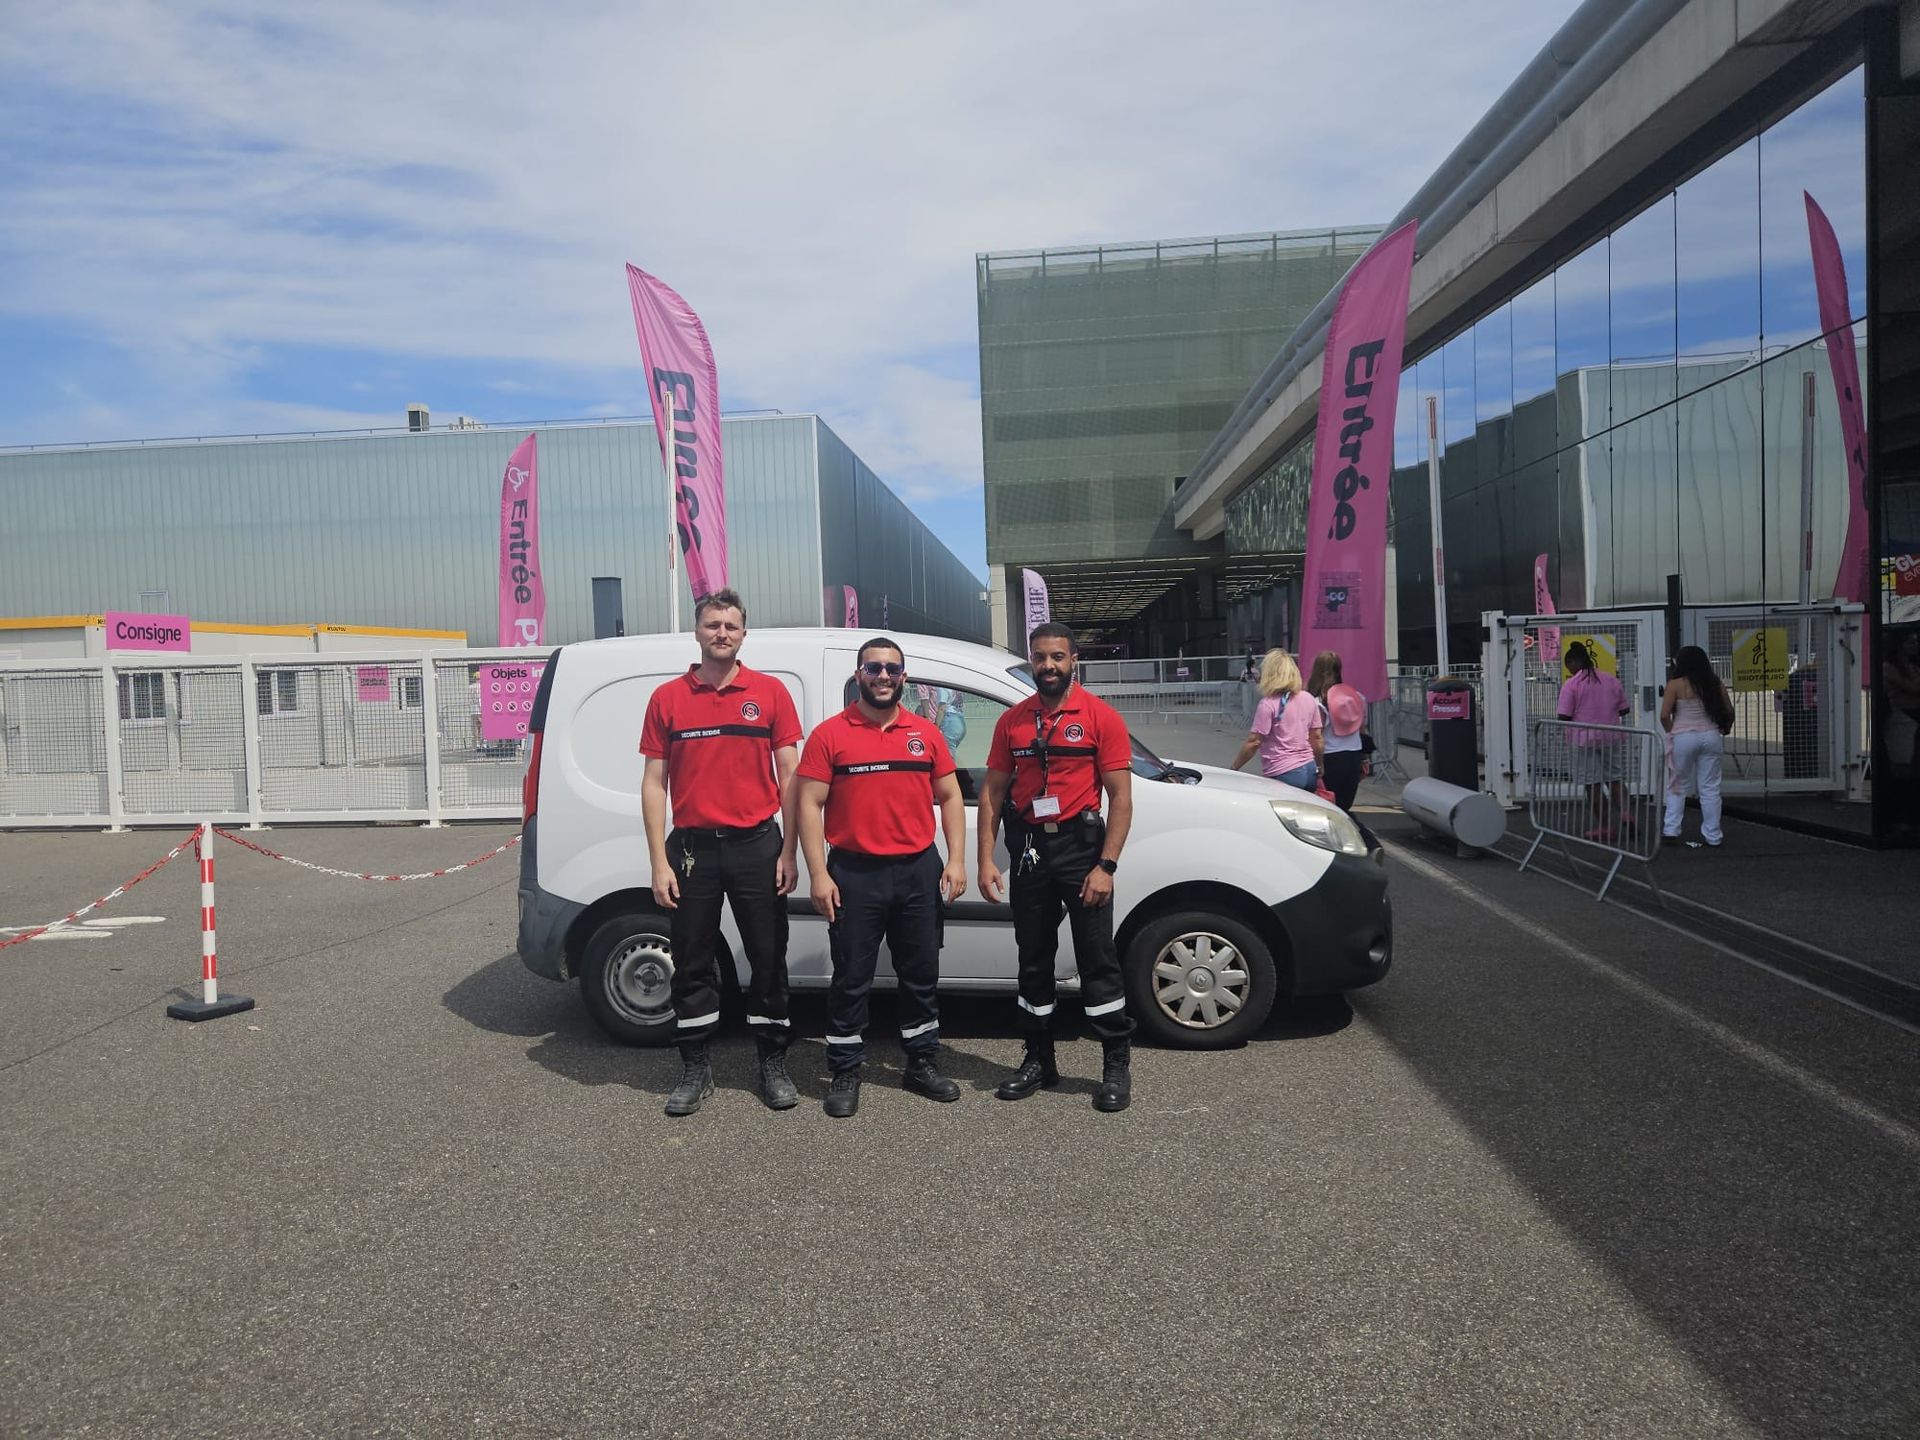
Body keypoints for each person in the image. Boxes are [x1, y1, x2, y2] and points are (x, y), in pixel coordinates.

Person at [640, 589, 802, 1117]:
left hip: (758, 845)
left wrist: (790, 851)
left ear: (743, 634)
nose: (722, 633)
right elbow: (654, 783)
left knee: (768, 957)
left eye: (731, 625)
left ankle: (772, 1063)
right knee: (691, 961)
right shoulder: (667, 698)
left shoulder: (771, 692)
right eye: (713, 625)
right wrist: (658, 861)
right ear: (697, 632)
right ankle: (695, 1067)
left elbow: (790, 775)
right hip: (692, 851)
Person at [793, 638, 969, 1119]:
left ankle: (921, 1063)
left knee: (921, 974)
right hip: (855, 873)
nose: (883, 676)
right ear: (859, 676)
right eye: (873, 668)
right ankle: (845, 1070)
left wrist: (956, 860)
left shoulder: (926, 733)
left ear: (904, 677)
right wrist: (818, 874)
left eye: (892, 668)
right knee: (851, 976)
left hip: (917, 870)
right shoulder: (830, 735)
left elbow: (950, 797)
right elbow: (808, 803)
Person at [977, 621, 1137, 1113]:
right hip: (1030, 850)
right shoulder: (1013, 721)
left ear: (1073, 661)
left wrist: (1106, 866)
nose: (1048, 666)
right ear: (1032, 660)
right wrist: (985, 859)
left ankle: (1115, 1063)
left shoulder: (1101, 718)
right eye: (1040, 657)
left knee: (1097, 958)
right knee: (1033, 957)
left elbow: (1121, 799)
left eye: (1057, 657)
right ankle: (1038, 1058)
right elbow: (993, 792)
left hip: (1081, 852)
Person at [1660, 644, 1734, 847]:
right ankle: (1713, 835)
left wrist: (1672, 731)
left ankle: (1671, 829)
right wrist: (1725, 728)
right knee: (1710, 788)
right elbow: (1729, 710)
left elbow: (1664, 715)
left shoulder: (1675, 684)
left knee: (1677, 784)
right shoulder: (1714, 683)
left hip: (1683, 736)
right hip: (1711, 735)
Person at [1556, 641, 1631, 841]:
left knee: (1593, 784)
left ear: (1573, 662)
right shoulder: (1611, 680)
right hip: (1611, 736)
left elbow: (1563, 715)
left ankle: (1604, 827)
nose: (1569, 670)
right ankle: (1626, 814)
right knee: (1615, 779)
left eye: (1568, 666)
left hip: (1583, 740)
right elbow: (1625, 709)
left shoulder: (1572, 684)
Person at [1230, 649, 1322, 791]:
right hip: (1309, 769)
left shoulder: (1268, 704)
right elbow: (1316, 738)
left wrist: (1234, 767)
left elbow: (1254, 742)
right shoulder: (1308, 698)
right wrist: (1320, 766)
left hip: (1283, 771)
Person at [1306, 650, 1367, 813]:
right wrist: (1365, 758)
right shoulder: (1357, 698)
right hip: (1354, 755)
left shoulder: (1316, 702)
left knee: (1327, 806)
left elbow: (1315, 736)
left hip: (1329, 758)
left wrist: (1316, 765)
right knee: (1344, 806)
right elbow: (1362, 729)